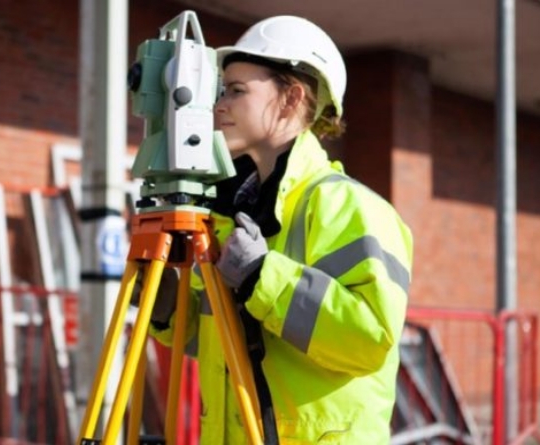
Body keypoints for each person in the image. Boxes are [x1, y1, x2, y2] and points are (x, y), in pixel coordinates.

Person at [143, 15, 414, 444]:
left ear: (290, 98)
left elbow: (369, 339)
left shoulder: (349, 207)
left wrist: (261, 277)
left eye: (237, 91)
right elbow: (217, 344)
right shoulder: (226, 214)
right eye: (221, 91)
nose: (219, 105)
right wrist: (168, 310)